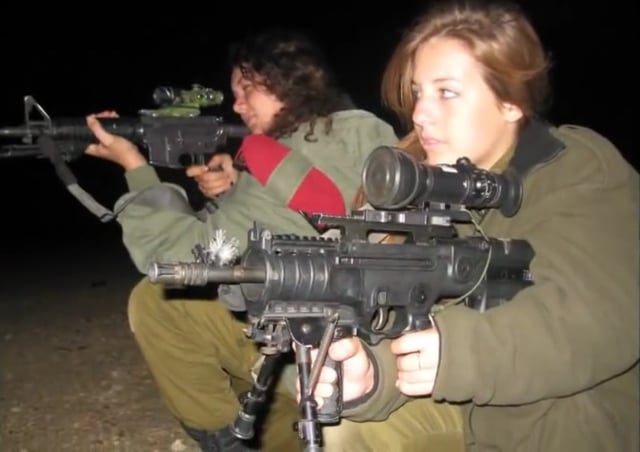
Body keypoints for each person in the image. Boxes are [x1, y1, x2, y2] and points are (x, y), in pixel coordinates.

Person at [307, 1, 640, 451]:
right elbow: (417, 314)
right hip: (469, 409)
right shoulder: (432, 185)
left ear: (511, 103)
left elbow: (592, 316)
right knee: (348, 428)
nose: (420, 113)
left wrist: (455, 354)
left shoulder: (575, 168)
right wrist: (372, 374)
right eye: (418, 92)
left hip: (564, 420)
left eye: (446, 92)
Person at [83, 28, 398, 452]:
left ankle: (231, 441)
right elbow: (308, 223)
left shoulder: (291, 150)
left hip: (323, 361)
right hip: (363, 347)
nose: (237, 104)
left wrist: (135, 166)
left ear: (290, 80)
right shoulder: (360, 130)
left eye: (248, 88)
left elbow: (187, 254)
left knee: (159, 304)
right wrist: (237, 189)